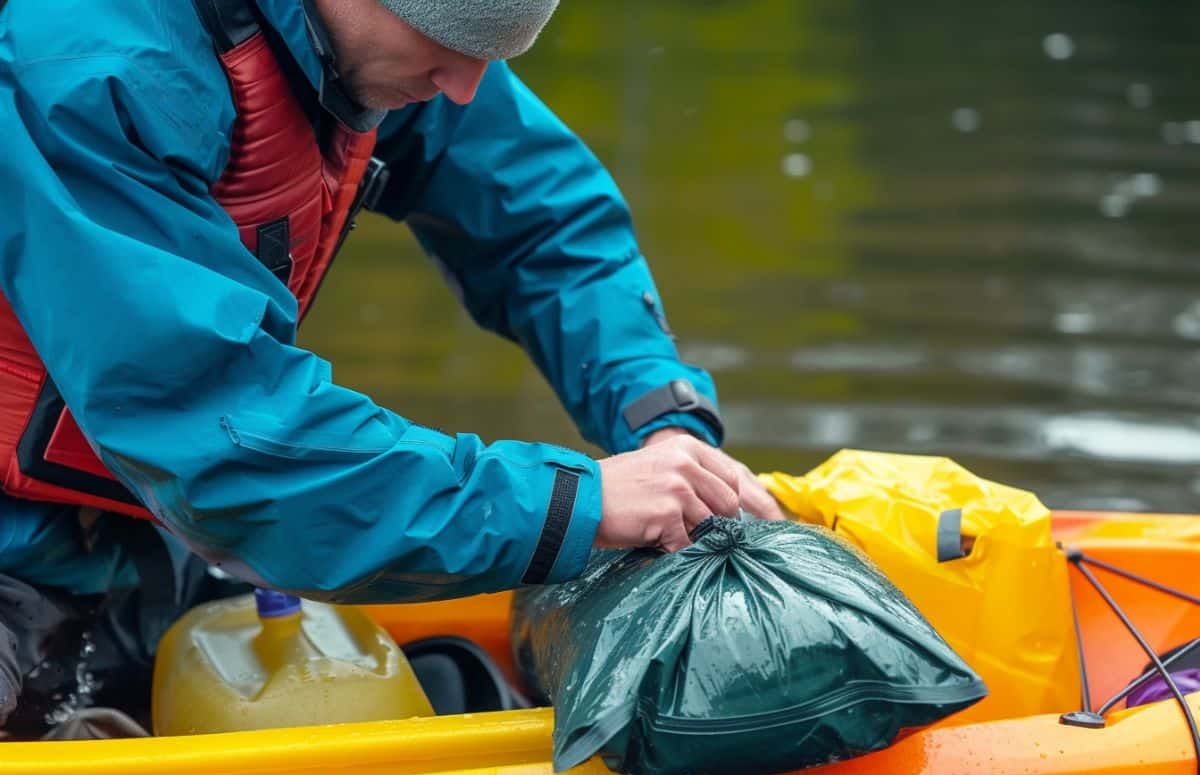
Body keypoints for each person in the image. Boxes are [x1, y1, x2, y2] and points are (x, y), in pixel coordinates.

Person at [0, 0, 782, 727]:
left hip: (130, 538)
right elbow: (221, 426)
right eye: (450, 46)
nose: (466, 88)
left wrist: (664, 424)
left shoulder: (373, 41)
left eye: (490, 52)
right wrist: (573, 505)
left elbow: (545, 224)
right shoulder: (90, 64)